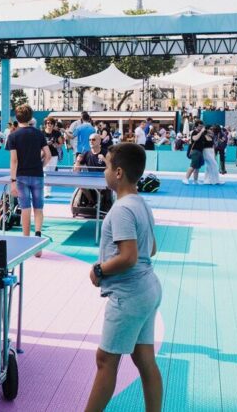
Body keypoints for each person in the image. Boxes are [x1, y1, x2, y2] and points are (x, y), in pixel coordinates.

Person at [86, 142, 162, 412]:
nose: (104, 171)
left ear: (118, 172)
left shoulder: (120, 210)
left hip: (129, 295)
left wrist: (99, 269)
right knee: (144, 359)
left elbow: (129, 256)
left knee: (105, 360)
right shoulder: (141, 203)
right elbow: (150, 248)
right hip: (148, 290)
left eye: (106, 165)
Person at [6, 104, 51, 257]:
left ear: (16, 118)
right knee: (38, 208)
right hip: (37, 175)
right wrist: (41, 164)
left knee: (25, 208)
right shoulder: (39, 134)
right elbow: (48, 155)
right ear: (31, 117)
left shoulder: (13, 136)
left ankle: (26, 242)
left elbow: (14, 160)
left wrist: (12, 181)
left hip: (21, 177)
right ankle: (37, 238)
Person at [42, 117, 64, 198]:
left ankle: (48, 191)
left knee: (51, 173)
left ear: (53, 124)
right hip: (44, 155)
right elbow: (38, 144)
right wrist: (46, 144)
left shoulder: (56, 133)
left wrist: (56, 145)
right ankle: (45, 192)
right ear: (45, 124)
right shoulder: (41, 133)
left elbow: (61, 143)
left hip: (54, 155)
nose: (49, 124)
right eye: (47, 123)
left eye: (51, 123)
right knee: (45, 173)